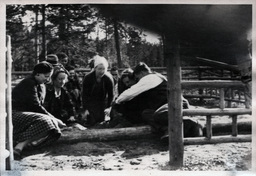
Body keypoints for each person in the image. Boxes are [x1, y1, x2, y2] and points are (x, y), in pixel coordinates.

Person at [12, 62, 66, 160]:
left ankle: (23, 145)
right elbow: (35, 106)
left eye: (49, 76)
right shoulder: (29, 83)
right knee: (47, 121)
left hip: (28, 116)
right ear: (37, 74)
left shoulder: (41, 85)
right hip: (14, 114)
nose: (48, 79)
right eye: (46, 76)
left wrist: (53, 119)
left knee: (54, 129)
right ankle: (19, 144)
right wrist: (54, 118)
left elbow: (39, 107)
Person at [82, 55, 114, 126]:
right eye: (99, 69)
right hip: (91, 102)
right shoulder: (88, 78)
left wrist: (109, 107)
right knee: (91, 121)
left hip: (102, 102)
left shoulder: (108, 79)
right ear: (95, 68)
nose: (101, 71)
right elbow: (84, 95)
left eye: (103, 69)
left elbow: (111, 95)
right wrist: (86, 109)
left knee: (102, 121)